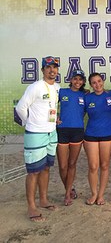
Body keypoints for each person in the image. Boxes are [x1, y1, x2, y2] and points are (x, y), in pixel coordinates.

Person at [16, 56, 61, 222]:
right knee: (33, 171)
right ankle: (31, 207)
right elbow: (21, 107)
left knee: (46, 168)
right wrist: (30, 123)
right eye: (48, 67)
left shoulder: (57, 87)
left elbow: (51, 107)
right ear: (42, 70)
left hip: (51, 133)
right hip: (35, 134)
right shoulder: (35, 87)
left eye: (54, 67)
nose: (52, 70)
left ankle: (43, 200)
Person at [84, 72, 111, 206]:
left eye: (99, 81)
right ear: (91, 85)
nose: (97, 84)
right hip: (91, 134)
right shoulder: (87, 98)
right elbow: (77, 111)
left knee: (104, 165)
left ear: (103, 81)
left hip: (108, 134)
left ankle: (101, 195)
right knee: (93, 166)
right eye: (94, 83)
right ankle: (94, 193)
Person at [56, 69, 86, 206]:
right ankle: (69, 187)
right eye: (75, 79)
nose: (77, 82)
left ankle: (68, 194)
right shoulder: (62, 92)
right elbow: (48, 104)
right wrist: (53, 117)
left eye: (80, 79)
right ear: (70, 80)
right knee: (63, 166)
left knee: (72, 164)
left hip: (77, 131)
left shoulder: (85, 95)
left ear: (83, 82)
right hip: (62, 131)